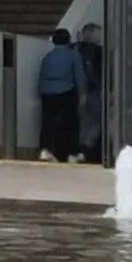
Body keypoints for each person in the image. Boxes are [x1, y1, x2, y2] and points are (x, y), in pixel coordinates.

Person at [36, 27, 81, 162]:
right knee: (69, 123)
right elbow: (79, 76)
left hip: (47, 93)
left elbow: (42, 75)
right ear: (68, 40)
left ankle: (45, 149)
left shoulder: (47, 57)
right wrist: (82, 94)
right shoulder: (73, 55)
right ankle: (68, 152)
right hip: (66, 92)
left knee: (47, 123)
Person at [74, 22, 105, 163]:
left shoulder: (76, 49)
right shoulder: (97, 52)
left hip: (74, 90)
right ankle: (86, 151)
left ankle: (79, 150)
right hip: (93, 92)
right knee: (96, 123)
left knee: (82, 123)